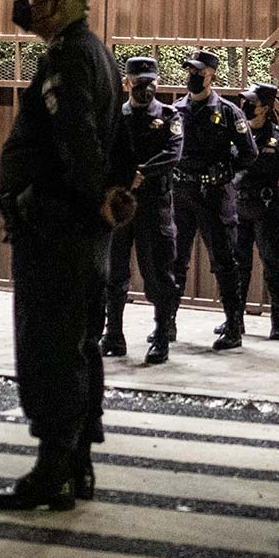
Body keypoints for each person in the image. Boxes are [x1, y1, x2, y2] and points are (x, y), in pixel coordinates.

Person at [0, 0, 126, 512]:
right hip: (80, 227)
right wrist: (111, 193)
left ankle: (52, 469)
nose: (29, 6)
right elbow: (116, 140)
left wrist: (95, 194)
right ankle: (77, 465)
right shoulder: (98, 54)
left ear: (64, 3)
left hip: (56, 227)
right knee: (79, 343)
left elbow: (77, 137)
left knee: (48, 345)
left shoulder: (69, 58)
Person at [170, 48, 258, 350]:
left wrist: (229, 178)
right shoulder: (177, 109)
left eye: (199, 72)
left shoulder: (229, 113)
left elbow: (249, 154)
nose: (193, 77)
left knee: (224, 262)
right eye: (190, 71)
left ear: (212, 75)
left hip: (214, 197)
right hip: (181, 196)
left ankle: (233, 327)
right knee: (174, 261)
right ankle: (167, 323)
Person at [103, 56, 183, 364]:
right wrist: (125, 176)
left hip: (154, 206)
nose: (146, 88)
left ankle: (161, 337)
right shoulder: (115, 116)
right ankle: (114, 336)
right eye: (139, 83)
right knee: (115, 274)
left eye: (151, 82)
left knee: (159, 275)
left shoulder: (169, 115)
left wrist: (141, 173)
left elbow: (173, 153)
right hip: (122, 206)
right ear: (126, 83)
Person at [233, 82, 279, 341]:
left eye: (252, 102)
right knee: (239, 266)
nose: (246, 106)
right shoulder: (237, 134)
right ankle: (234, 320)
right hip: (239, 206)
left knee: (273, 265)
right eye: (246, 101)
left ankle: (278, 323)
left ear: (266, 108)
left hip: (267, 208)